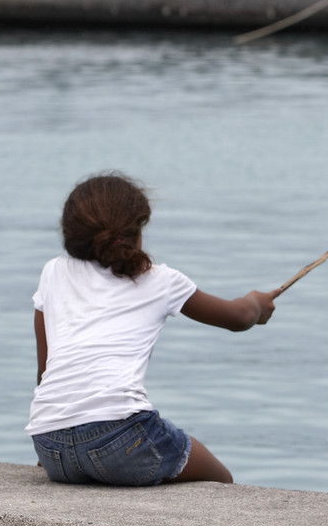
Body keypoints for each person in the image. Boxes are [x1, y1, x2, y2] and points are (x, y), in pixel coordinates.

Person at [26, 174, 275, 487]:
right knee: (220, 479)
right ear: (136, 230)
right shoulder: (160, 280)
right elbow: (238, 317)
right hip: (119, 438)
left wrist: (56, 445)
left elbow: (45, 372)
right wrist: (255, 302)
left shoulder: (53, 271)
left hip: (50, 444)